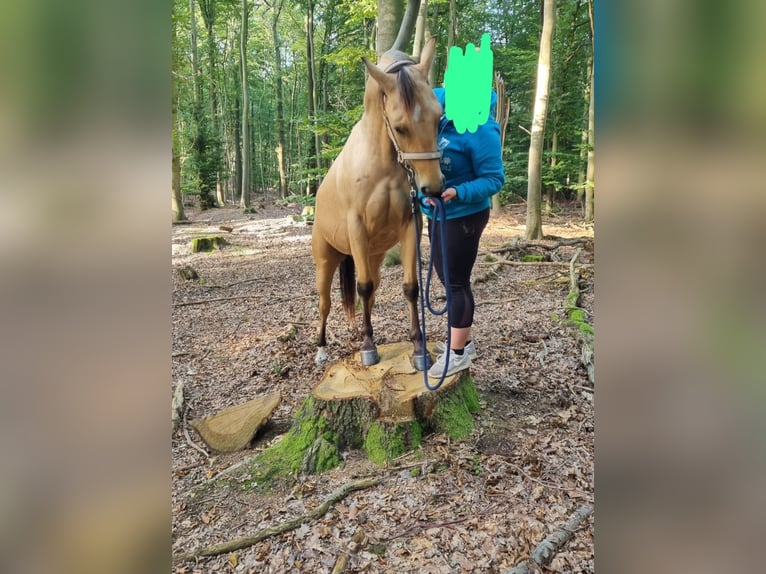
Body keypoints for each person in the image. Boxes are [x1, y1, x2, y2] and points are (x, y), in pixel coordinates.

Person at [420, 86, 505, 378]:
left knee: (456, 283)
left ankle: (456, 355)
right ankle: (464, 343)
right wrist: (424, 198)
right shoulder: (443, 116)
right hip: (439, 214)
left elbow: (494, 179)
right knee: (446, 278)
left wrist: (459, 191)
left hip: (465, 215)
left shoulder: (482, 130)